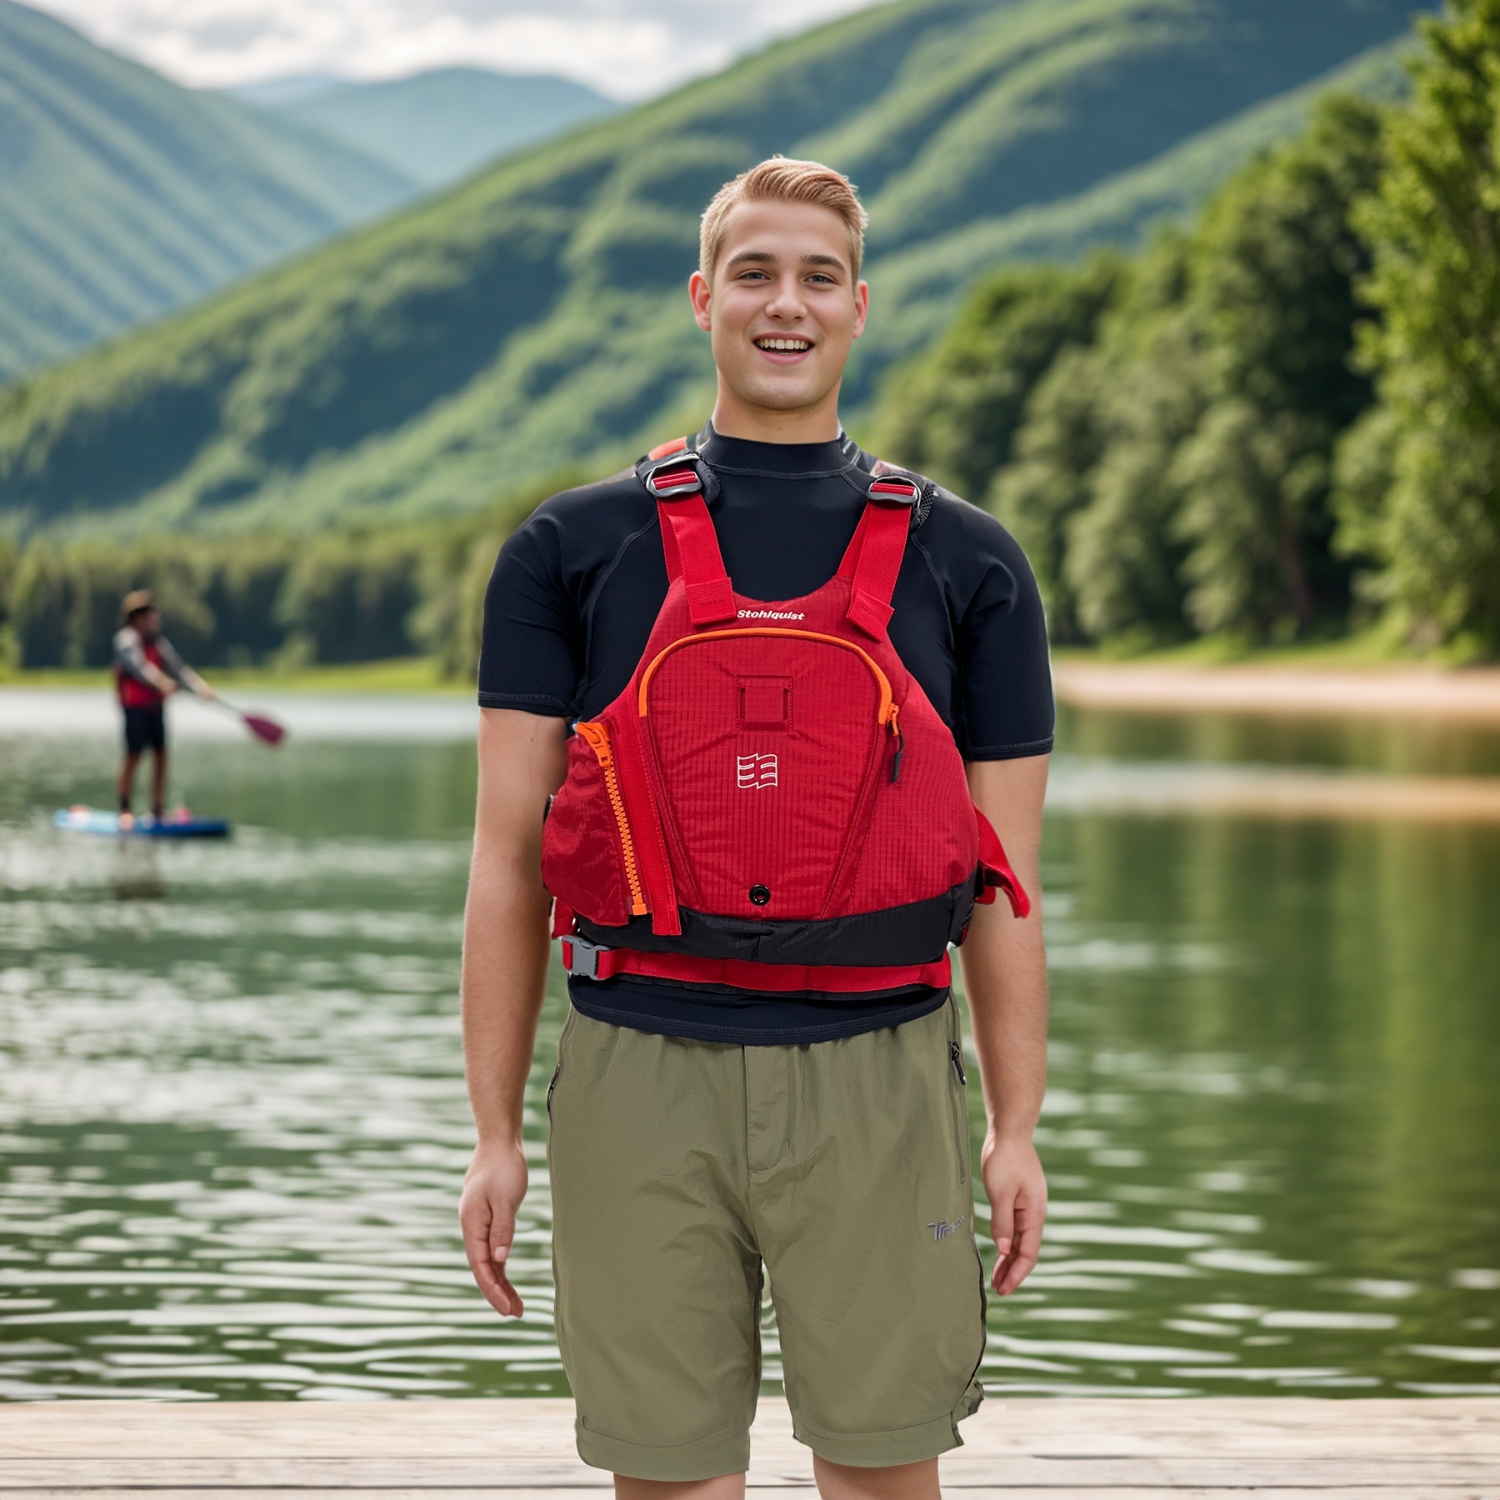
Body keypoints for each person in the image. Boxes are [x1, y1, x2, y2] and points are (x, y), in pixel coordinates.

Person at [460, 158, 1052, 1500]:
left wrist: (1015, 1126)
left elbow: (1005, 885)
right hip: (635, 1073)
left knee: (884, 1474)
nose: (787, 304)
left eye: (818, 277)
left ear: (860, 306)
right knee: (668, 1481)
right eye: (755, 274)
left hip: (882, 1078)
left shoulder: (972, 562)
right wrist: (494, 1133)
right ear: (702, 298)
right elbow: (504, 864)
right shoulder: (568, 548)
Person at [114, 590, 216, 824]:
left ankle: (158, 809)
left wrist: (200, 687)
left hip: (155, 708)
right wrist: (163, 683)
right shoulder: (126, 640)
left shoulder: (159, 643)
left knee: (161, 755)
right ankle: (124, 809)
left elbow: (179, 670)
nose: (156, 620)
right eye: (151, 616)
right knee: (133, 755)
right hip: (135, 708)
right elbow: (140, 668)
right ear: (138, 618)